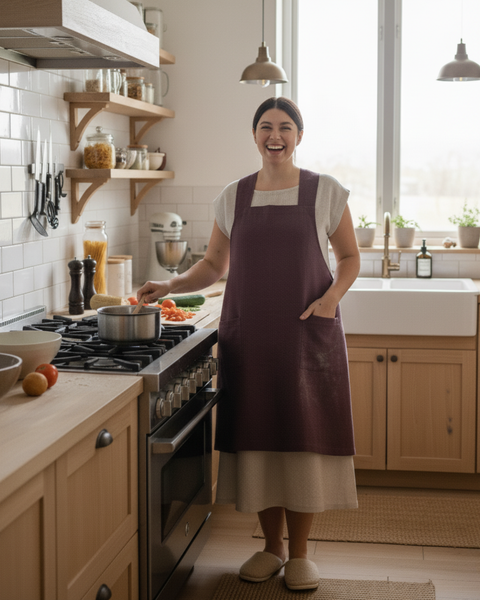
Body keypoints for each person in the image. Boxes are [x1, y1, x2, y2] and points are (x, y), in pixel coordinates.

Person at [137, 96, 360, 592]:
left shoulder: (326, 192)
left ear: (299, 135)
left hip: (308, 336)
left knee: (302, 440)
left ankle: (300, 554)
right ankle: (271, 548)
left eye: (284, 127)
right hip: (252, 338)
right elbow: (214, 265)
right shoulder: (232, 197)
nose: (274, 135)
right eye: (265, 127)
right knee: (259, 439)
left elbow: (348, 259)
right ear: (254, 135)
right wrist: (170, 284)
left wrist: (330, 301)